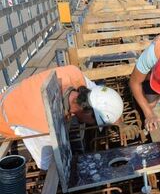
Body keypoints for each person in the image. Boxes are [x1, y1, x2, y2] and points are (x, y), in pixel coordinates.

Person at [0, 65, 139, 170]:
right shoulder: (44, 125)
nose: (93, 125)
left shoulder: (73, 74)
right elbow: (46, 165)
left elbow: (102, 98)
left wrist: (121, 124)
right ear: (86, 111)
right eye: (94, 121)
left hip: (18, 91)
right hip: (6, 118)